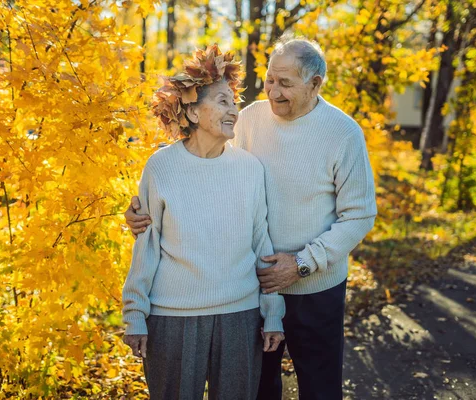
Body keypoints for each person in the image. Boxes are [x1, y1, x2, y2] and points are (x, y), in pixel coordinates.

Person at [125, 37, 377, 399]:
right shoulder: (250, 118)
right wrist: (144, 209)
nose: (273, 92)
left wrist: (303, 263)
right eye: (270, 80)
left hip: (315, 287)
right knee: (259, 389)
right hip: (254, 285)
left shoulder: (343, 134)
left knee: (320, 389)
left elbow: (360, 215)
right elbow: (208, 164)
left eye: (285, 84)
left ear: (315, 84)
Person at [121, 45, 285, 400]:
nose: (234, 110)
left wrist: (272, 312)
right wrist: (135, 312)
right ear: (193, 112)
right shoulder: (161, 167)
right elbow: (146, 245)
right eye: (223, 101)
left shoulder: (249, 168)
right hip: (172, 318)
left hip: (240, 316)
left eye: (234, 102)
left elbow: (262, 244)